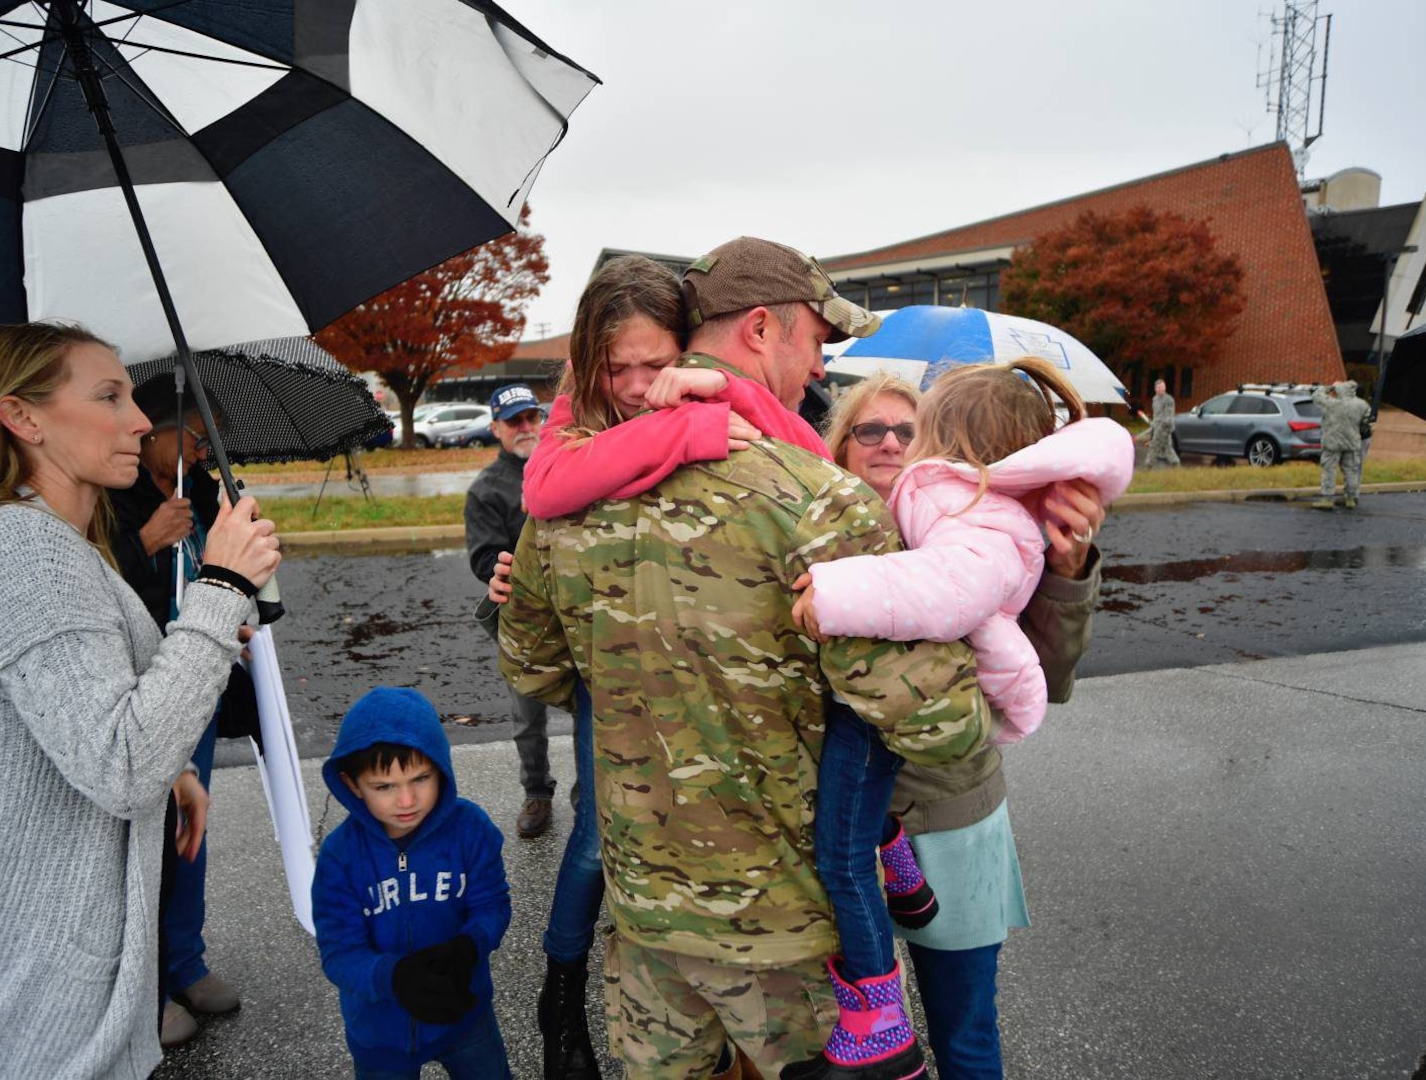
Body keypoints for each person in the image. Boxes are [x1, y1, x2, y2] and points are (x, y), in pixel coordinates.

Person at [499, 237, 994, 1077]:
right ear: (766, 329)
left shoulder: (565, 502)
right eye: (818, 340)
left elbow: (535, 668)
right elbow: (939, 725)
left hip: (647, 923)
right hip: (786, 938)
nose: (820, 366)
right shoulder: (817, 498)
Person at [0, 321, 280, 1078]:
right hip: (29, 1012)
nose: (140, 419)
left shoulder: (45, 542)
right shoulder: (20, 550)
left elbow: (73, 717)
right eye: (108, 395)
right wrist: (221, 588)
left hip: (49, 989)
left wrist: (176, 768)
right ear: (22, 417)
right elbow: (121, 762)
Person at [789, 359, 1132, 1074]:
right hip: (835, 822)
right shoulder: (806, 531)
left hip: (949, 819)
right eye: (868, 429)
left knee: (964, 1031)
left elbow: (1050, 678)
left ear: (937, 444)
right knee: (836, 1027)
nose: (887, 442)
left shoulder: (975, 530)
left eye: (904, 429)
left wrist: (1067, 573)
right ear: (838, 444)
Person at [109, 377, 255, 1045]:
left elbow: (212, 585)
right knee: (148, 846)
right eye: (198, 439)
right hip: (140, 692)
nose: (201, 454)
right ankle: (147, 989)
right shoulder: (112, 497)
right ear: (157, 430)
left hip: (194, 686)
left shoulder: (195, 492)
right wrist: (146, 540)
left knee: (188, 838)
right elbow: (99, 589)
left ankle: (185, 961)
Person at [313, 686, 513, 1079]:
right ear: (352, 784)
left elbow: (492, 904)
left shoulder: (471, 829)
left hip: (466, 1015)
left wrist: (470, 945)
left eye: (421, 778)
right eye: (384, 786)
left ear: (441, 769)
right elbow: (338, 953)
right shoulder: (340, 856)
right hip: (379, 1032)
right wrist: (394, 977)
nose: (406, 801)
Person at [464, 382, 555, 838]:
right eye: (514, 421)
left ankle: (594, 797)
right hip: (522, 620)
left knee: (593, 710)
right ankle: (537, 792)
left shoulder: (565, 464)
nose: (525, 428)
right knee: (527, 716)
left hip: (575, 614)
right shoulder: (486, 490)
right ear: (495, 427)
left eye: (531, 418)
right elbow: (483, 559)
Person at [1313, 380, 1371, 510]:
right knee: (1351, 471)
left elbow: (1316, 395)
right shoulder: (1362, 405)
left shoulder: (1331, 403)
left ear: (1339, 389)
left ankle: (1327, 499)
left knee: (1329, 470)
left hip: (1332, 443)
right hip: (1352, 442)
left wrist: (1330, 387)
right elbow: (1367, 421)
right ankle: (1350, 498)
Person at [1143, 378, 1181, 469]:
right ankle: (1176, 464)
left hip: (1165, 426)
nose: (1161, 389)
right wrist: (1154, 424)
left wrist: (1160, 426)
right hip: (1157, 426)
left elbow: (1168, 415)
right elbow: (1156, 415)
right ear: (1155, 389)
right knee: (1167, 447)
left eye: (1163, 387)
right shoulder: (1155, 399)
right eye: (1159, 387)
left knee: (1154, 445)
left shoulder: (1169, 399)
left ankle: (1148, 466)